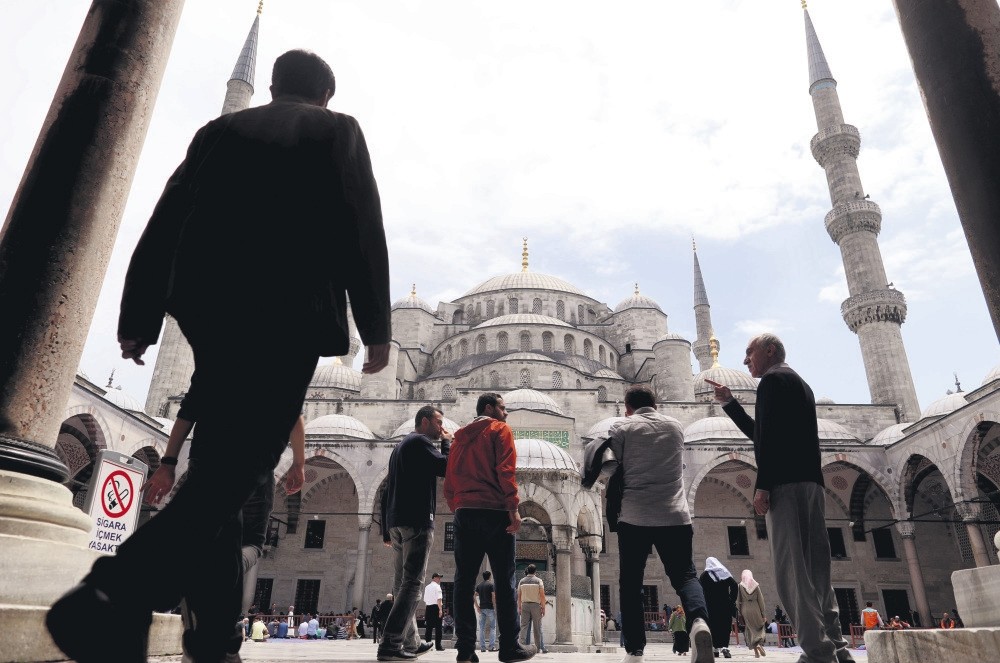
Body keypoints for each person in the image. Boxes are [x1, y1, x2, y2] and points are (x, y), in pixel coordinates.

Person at [46, 49, 391, 663]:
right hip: (289, 313)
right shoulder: (338, 131)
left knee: (221, 473)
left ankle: (211, 640)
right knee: (244, 463)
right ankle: (111, 590)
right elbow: (362, 224)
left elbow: (166, 217)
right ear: (324, 98)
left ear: (275, 86)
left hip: (210, 310)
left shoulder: (219, 130)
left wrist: (138, 317)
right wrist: (376, 327)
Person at [712, 333, 854, 663]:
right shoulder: (798, 383)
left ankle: (817, 652)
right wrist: (730, 403)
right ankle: (838, 648)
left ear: (770, 350)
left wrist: (763, 486)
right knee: (818, 571)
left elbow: (769, 442)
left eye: (750, 353)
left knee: (793, 573)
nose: (745, 360)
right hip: (811, 484)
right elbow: (763, 434)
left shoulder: (772, 382)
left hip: (786, 486)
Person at [142, 379, 307, 658]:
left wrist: (168, 463)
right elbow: (293, 414)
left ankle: (196, 576)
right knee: (252, 542)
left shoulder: (215, 357)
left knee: (203, 540)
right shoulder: (278, 362)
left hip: (206, 464)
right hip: (255, 466)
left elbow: (186, 414)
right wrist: (299, 463)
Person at [583, 385, 712, 663]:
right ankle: (699, 622)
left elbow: (610, 466)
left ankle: (635, 650)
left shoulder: (624, 427)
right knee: (686, 576)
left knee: (631, 583)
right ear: (655, 404)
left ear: (628, 407)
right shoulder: (676, 426)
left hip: (635, 517)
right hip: (675, 516)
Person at [444, 393, 536, 663]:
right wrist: (513, 508)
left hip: (465, 513)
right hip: (495, 513)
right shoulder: (499, 429)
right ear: (489, 408)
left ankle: (465, 650)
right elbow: (506, 470)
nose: (506, 414)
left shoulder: (459, 438)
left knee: (463, 582)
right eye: (503, 408)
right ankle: (510, 647)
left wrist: (458, 505)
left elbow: (449, 480)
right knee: (505, 580)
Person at [377, 405, 451, 661]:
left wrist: (386, 529)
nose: (441, 427)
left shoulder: (400, 447)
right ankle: (390, 643)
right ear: (425, 421)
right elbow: (446, 468)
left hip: (397, 523)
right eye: (439, 422)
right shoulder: (420, 442)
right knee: (412, 584)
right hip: (416, 521)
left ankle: (410, 641)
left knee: (401, 585)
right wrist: (447, 444)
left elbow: (387, 491)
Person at [699, 557, 737, 659]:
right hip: (725, 605)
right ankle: (725, 647)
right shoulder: (724, 572)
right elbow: (734, 585)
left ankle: (715, 648)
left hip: (711, 606)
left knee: (713, 626)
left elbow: (699, 590)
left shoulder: (704, 575)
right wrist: (731, 599)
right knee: (725, 626)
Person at [737, 570, 767, 658]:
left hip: (745, 608)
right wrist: (763, 613)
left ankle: (756, 653)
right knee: (759, 627)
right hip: (755, 607)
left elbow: (738, 600)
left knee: (749, 629)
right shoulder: (756, 585)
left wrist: (739, 612)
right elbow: (761, 600)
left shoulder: (740, 586)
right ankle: (758, 644)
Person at [517, 564, 546, 652]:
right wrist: (543, 607)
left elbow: (519, 596)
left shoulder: (521, 581)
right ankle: (537, 648)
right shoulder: (538, 581)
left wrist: (519, 607)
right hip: (536, 606)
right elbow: (542, 595)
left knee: (523, 627)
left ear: (528, 571)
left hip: (525, 605)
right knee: (537, 627)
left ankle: (521, 646)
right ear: (535, 571)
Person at [475, 570, 498, 652]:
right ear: (490, 576)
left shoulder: (479, 585)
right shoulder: (491, 584)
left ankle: (482, 647)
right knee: (492, 627)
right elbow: (493, 596)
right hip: (490, 608)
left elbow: (474, 596)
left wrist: (477, 607)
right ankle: (491, 647)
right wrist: (495, 607)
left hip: (482, 608)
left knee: (481, 628)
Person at [423, 573, 445, 651]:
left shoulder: (427, 587)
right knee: (438, 628)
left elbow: (425, 600)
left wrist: (426, 609)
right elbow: (439, 599)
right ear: (434, 578)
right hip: (436, 607)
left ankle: (427, 645)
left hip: (428, 607)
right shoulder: (437, 587)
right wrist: (440, 610)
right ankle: (438, 646)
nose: (440, 579)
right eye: (439, 578)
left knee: (428, 628)